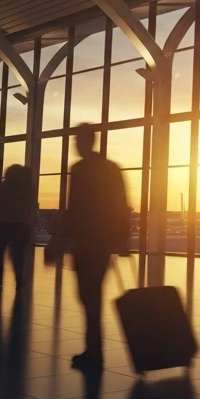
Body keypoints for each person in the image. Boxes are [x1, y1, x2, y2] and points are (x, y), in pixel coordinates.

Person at [66, 123, 128, 371]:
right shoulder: (111, 168)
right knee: (92, 295)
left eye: (77, 141)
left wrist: (63, 239)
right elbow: (121, 205)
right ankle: (94, 350)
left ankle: (94, 351)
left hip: (86, 242)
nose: (75, 146)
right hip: (101, 242)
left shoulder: (79, 170)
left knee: (88, 296)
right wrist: (121, 240)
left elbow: (75, 209)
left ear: (86, 141)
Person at [0, 165, 37, 292]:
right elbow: (30, 205)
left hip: (2, 223)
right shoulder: (28, 187)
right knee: (18, 254)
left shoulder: (3, 186)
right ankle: (19, 278)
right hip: (19, 224)